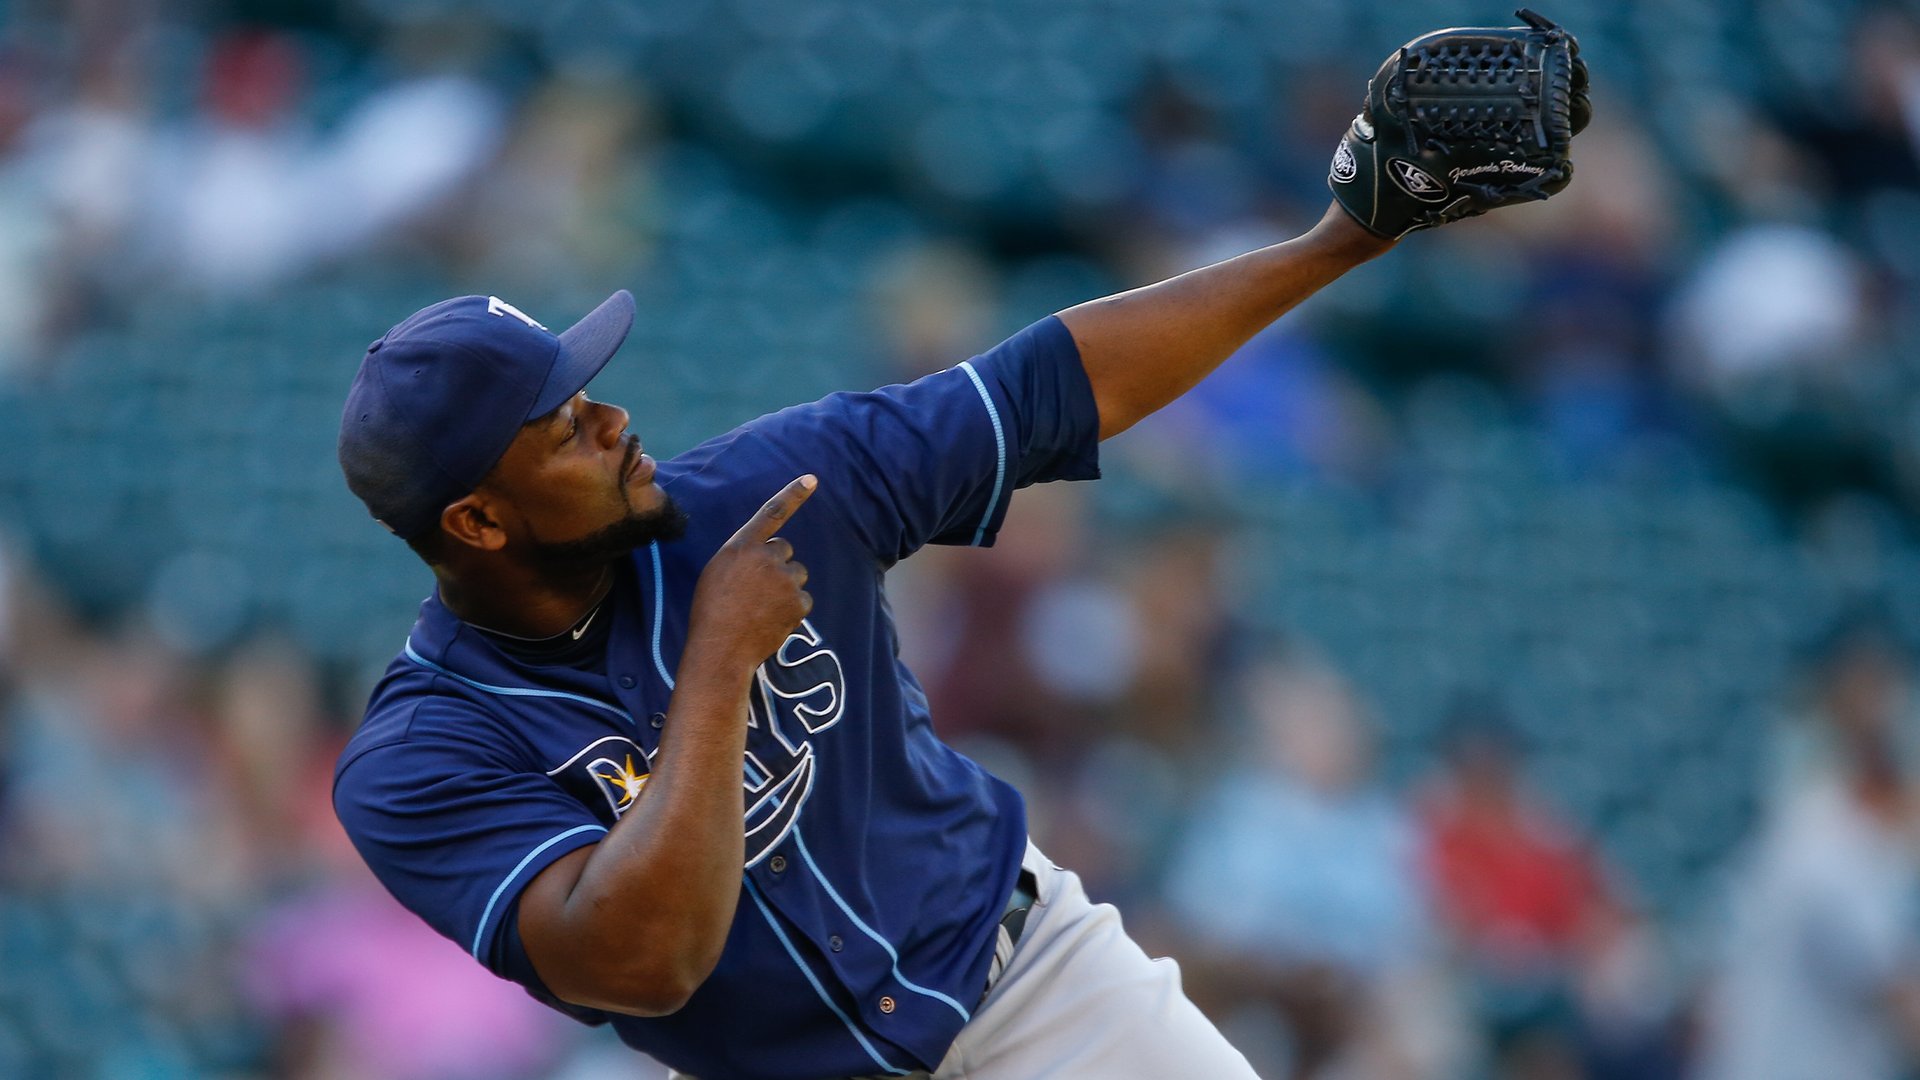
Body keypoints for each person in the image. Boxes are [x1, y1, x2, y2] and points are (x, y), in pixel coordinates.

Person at [330, 20, 1587, 1078]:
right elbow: (638, 961)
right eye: (562, 427)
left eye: (590, 386)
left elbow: (1050, 387)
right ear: (478, 522)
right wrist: (716, 669)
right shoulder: (419, 757)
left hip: (1035, 980)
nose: (612, 417)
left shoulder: (765, 489)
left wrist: (1341, 241)